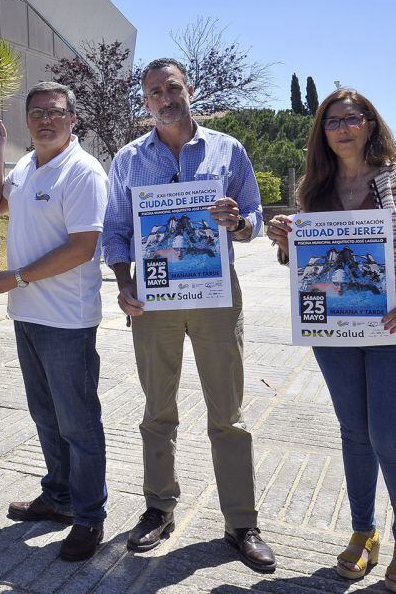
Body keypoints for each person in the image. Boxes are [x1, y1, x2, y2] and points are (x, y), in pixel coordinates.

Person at [268, 89, 396, 593]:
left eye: (353, 118)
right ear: (321, 132)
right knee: (354, 436)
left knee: (392, 439)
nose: (343, 128)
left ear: (371, 124)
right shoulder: (315, 185)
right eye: (332, 121)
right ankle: (363, 532)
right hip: (334, 332)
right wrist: (286, 242)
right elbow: (303, 266)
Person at [102, 58, 276, 572]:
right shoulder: (129, 159)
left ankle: (241, 522)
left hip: (217, 298)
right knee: (158, 409)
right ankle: (159, 508)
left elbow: (256, 219)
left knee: (229, 412)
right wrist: (125, 282)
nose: (164, 96)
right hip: (153, 302)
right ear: (146, 100)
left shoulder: (228, 149)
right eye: (154, 90)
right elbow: (115, 230)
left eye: (172, 86)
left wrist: (237, 221)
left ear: (189, 89)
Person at [0, 81, 109, 562]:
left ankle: (89, 517)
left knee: (78, 423)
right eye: (36, 112)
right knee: (45, 415)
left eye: (54, 113)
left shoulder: (83, 172)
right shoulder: (25, 165)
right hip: (28, 314)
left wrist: (14, 278)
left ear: (72, 119)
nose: (44, 120)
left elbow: (83, 248)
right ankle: (58, 498)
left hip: (66, 321)